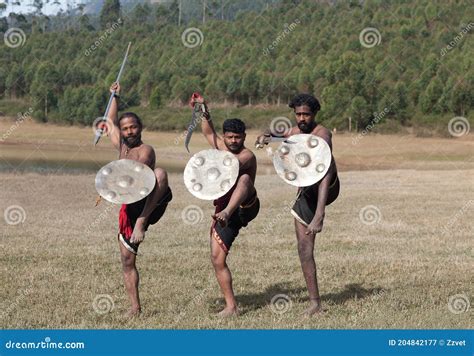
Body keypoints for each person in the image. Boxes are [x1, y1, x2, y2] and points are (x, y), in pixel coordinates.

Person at [256, 93, 340, 316]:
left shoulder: (323, 134)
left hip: (325, 187)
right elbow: (282, 134)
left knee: (327, 165)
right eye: (298, 114)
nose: (302, 118)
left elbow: (325, 173)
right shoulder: (295, 131)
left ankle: (315, 304)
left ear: (315, 114)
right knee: (304, 248)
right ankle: (315, 303)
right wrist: (267, 136)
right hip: (305, 190)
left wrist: (320, 213)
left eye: (306, 114)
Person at [106, 82, 172, 317]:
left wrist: (141, 222)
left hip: (151, 202)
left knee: (160, 173)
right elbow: (109, 122)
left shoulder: (146, 151)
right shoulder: (121, 146)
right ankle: (135, 308)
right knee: (126, 260)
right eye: (125, 129)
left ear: (140, 128)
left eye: (133, 127)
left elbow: (136, 176)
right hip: (130, 205)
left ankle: (142, 224)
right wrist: (114, 95)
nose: (129, 131)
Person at [191, 93, 260, 317]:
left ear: (244, 137)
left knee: (244, 179)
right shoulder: (223, 148)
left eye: (237, 138)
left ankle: (227, 211)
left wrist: (228, 211)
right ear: (225, 136)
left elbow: (230, 167)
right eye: (229, 138)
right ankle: (231, 307)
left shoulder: (246, 156)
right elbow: (208, 131)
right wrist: (204, 109)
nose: (233, 142)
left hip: (244, 208)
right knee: (216, 258)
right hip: (222, 211)